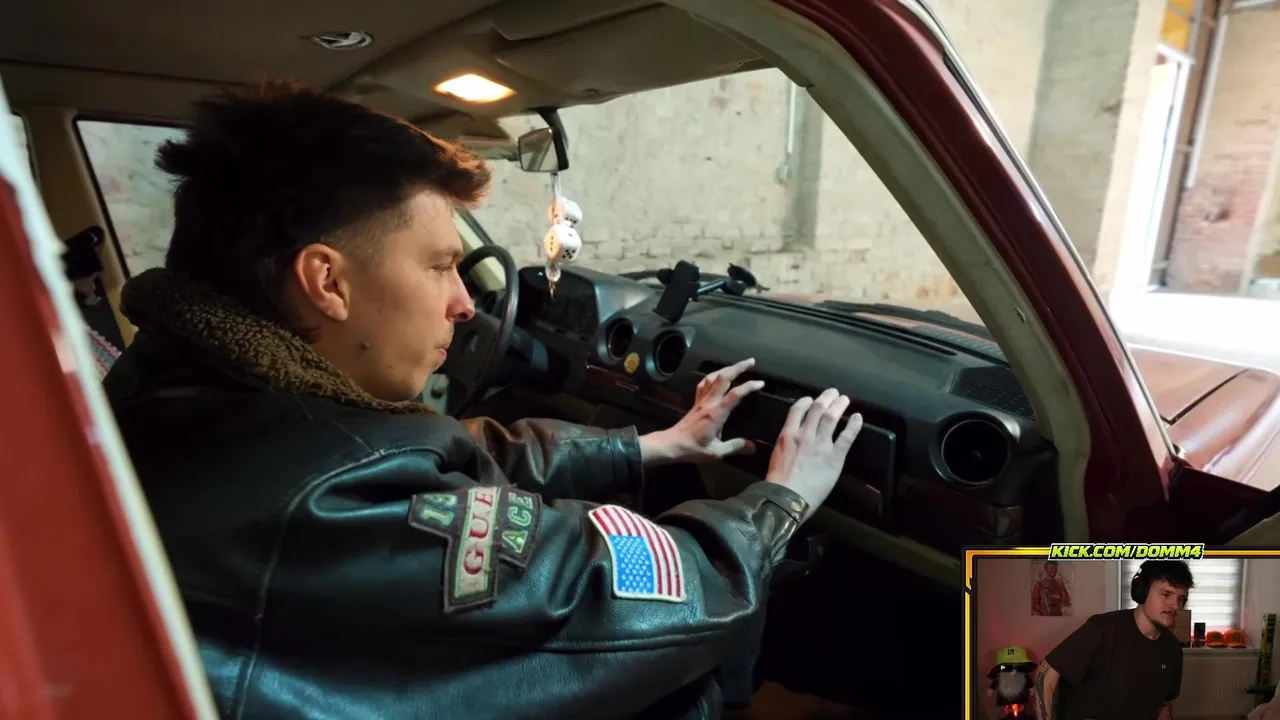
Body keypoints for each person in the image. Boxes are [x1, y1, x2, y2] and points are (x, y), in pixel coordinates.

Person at [103, 81, 863, 719]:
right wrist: (778, 502)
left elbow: (438, 460)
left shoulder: (191, 391)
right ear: (327, 281)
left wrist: (648, 447)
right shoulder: (323, 494)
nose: (466, 304)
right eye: (440, 266)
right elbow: (621, 599)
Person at [1033, 560, 1193, 720]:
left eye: (1181, 598)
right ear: (1142, 592)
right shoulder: (1103, 628)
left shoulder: (1173, 648)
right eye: (1166, 594)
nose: (1175, 605)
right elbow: (1046, 672)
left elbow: (1164, 703)